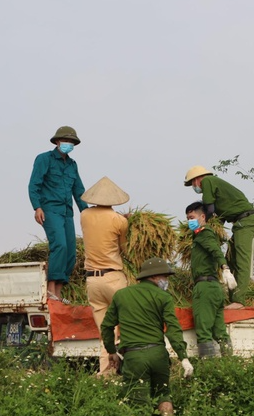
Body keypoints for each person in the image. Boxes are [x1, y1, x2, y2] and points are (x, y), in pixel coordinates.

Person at [101, 257, 194, 416]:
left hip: (134, 357)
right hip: (158, 355)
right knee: (163, 396)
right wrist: (183, 357)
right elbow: (173, 328)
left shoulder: (121, 295)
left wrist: (111, 351)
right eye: (164, 277)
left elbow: (106, 326)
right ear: (153, 277)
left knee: (137, 404)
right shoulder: (164, 297)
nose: (166, 281)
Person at [184, 166, 254, 309]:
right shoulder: (217, 192)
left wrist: (205, 227)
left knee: (241, 260)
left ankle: (239, 300)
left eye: (192, 184)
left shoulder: (208, 181)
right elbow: (218, 218)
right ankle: (233, 299)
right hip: (239, 223)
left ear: (196, 179)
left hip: (246, 221)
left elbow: (209, 209)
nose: (194, 187)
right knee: (230, 259)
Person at [28, 126, 87, 303]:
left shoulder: (72, 165)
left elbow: (79, 191)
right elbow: (34, 185)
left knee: (70, 251)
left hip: (67, 212)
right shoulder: (44, 159)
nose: (69, 144)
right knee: (59, 245)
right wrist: (37, 207)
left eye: (72, 142)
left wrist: (87, 213)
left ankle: (59, 293)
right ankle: (50, 288)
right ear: (57, 141)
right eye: (66, 141)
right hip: (50, 210)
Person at [80, 176, 130, 377]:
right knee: (124, 326)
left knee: (105, 332)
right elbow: (124, 248)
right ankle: (125, 370)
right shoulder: (119, 221)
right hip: (113, 278)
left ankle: (105, 371)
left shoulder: (84, 215)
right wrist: (125, 221)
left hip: (92, 281)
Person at [185, 201, 235, 357]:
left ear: (202, 216)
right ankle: (229, 363)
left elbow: (215, 251)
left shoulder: (205, 233)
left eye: (192, 217)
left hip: (205, 288)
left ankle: (207, 369)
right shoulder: (201, 235)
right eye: (187, 218)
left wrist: (225, 268)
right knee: (219, 331)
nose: (189, 221)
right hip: (215, 289)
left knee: (203, 330)